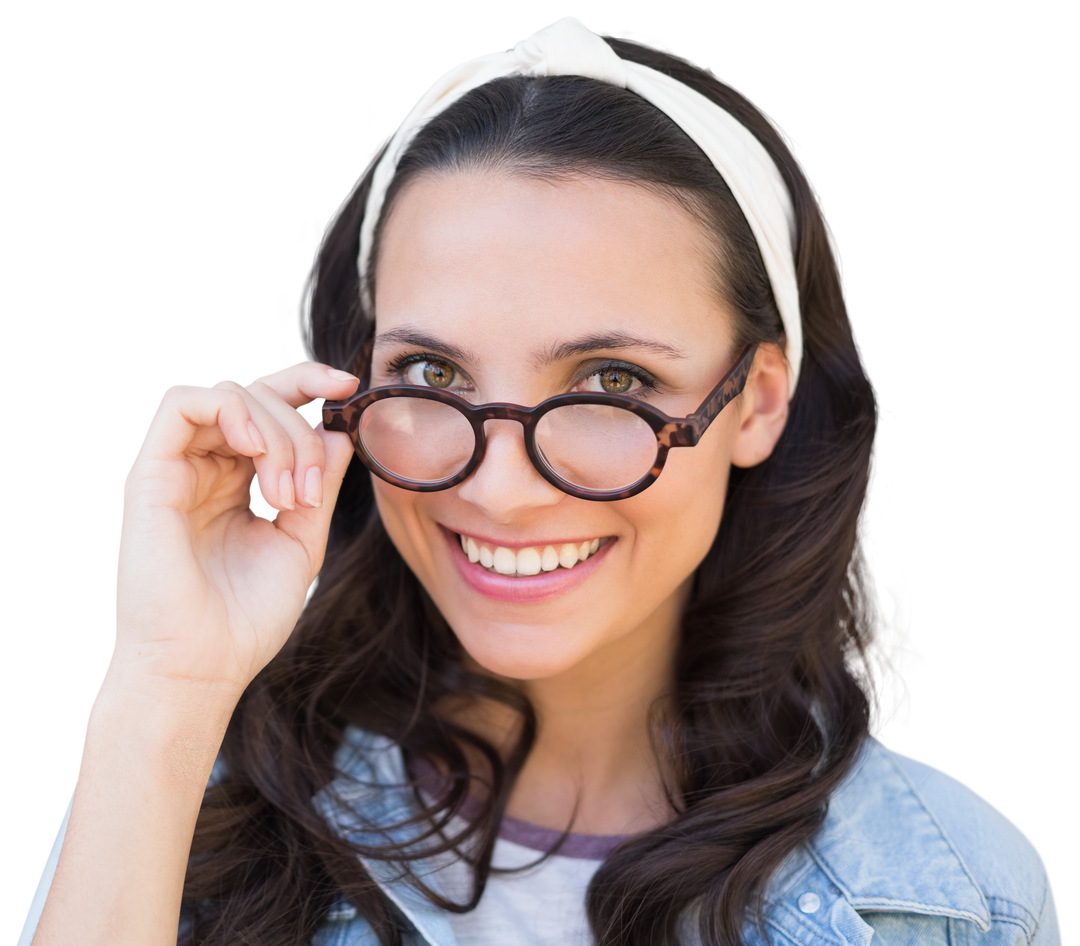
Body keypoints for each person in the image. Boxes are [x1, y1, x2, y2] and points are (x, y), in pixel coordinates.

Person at [19, 15, 1062, 946]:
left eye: (613, 380)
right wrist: (162, 690)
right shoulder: (170, 798)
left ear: (756, 402)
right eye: (430, 374)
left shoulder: (959, 897)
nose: (506, 490)